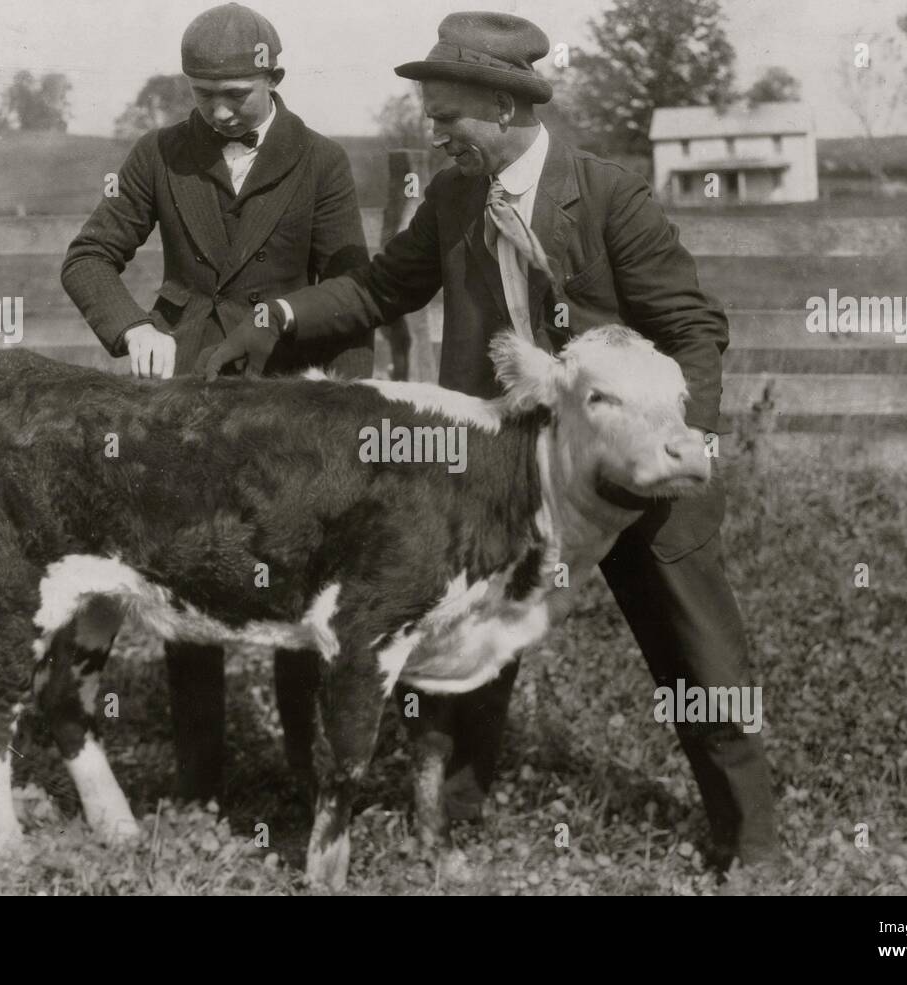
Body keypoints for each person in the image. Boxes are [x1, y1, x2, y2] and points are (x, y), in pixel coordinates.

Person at [201, 10, 778, 870]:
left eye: (447, 119)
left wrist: (680, 437)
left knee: (696, 649)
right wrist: (277, 316)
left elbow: (694, 325)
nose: (436, 138)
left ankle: (751, 842)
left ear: (505, 109)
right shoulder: (454, 199)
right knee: (477, 635)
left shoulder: (607, 194)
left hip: (627, 469)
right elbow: (378, 291)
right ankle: (456, 814)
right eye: (432, 120)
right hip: (507, 477)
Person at [61, 2, 371, 804]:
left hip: (287, 404)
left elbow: (350, 290)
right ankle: (201, 778)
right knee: (183, 574)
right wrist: (132, 329)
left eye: (235, 93)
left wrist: (346, 402)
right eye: (203, 95)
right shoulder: (159, 153)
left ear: (274, 76)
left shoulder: (322, 161)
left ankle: (305, 766)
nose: (219, 111)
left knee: (301, 578)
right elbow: (90, 257)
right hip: (184, 404)